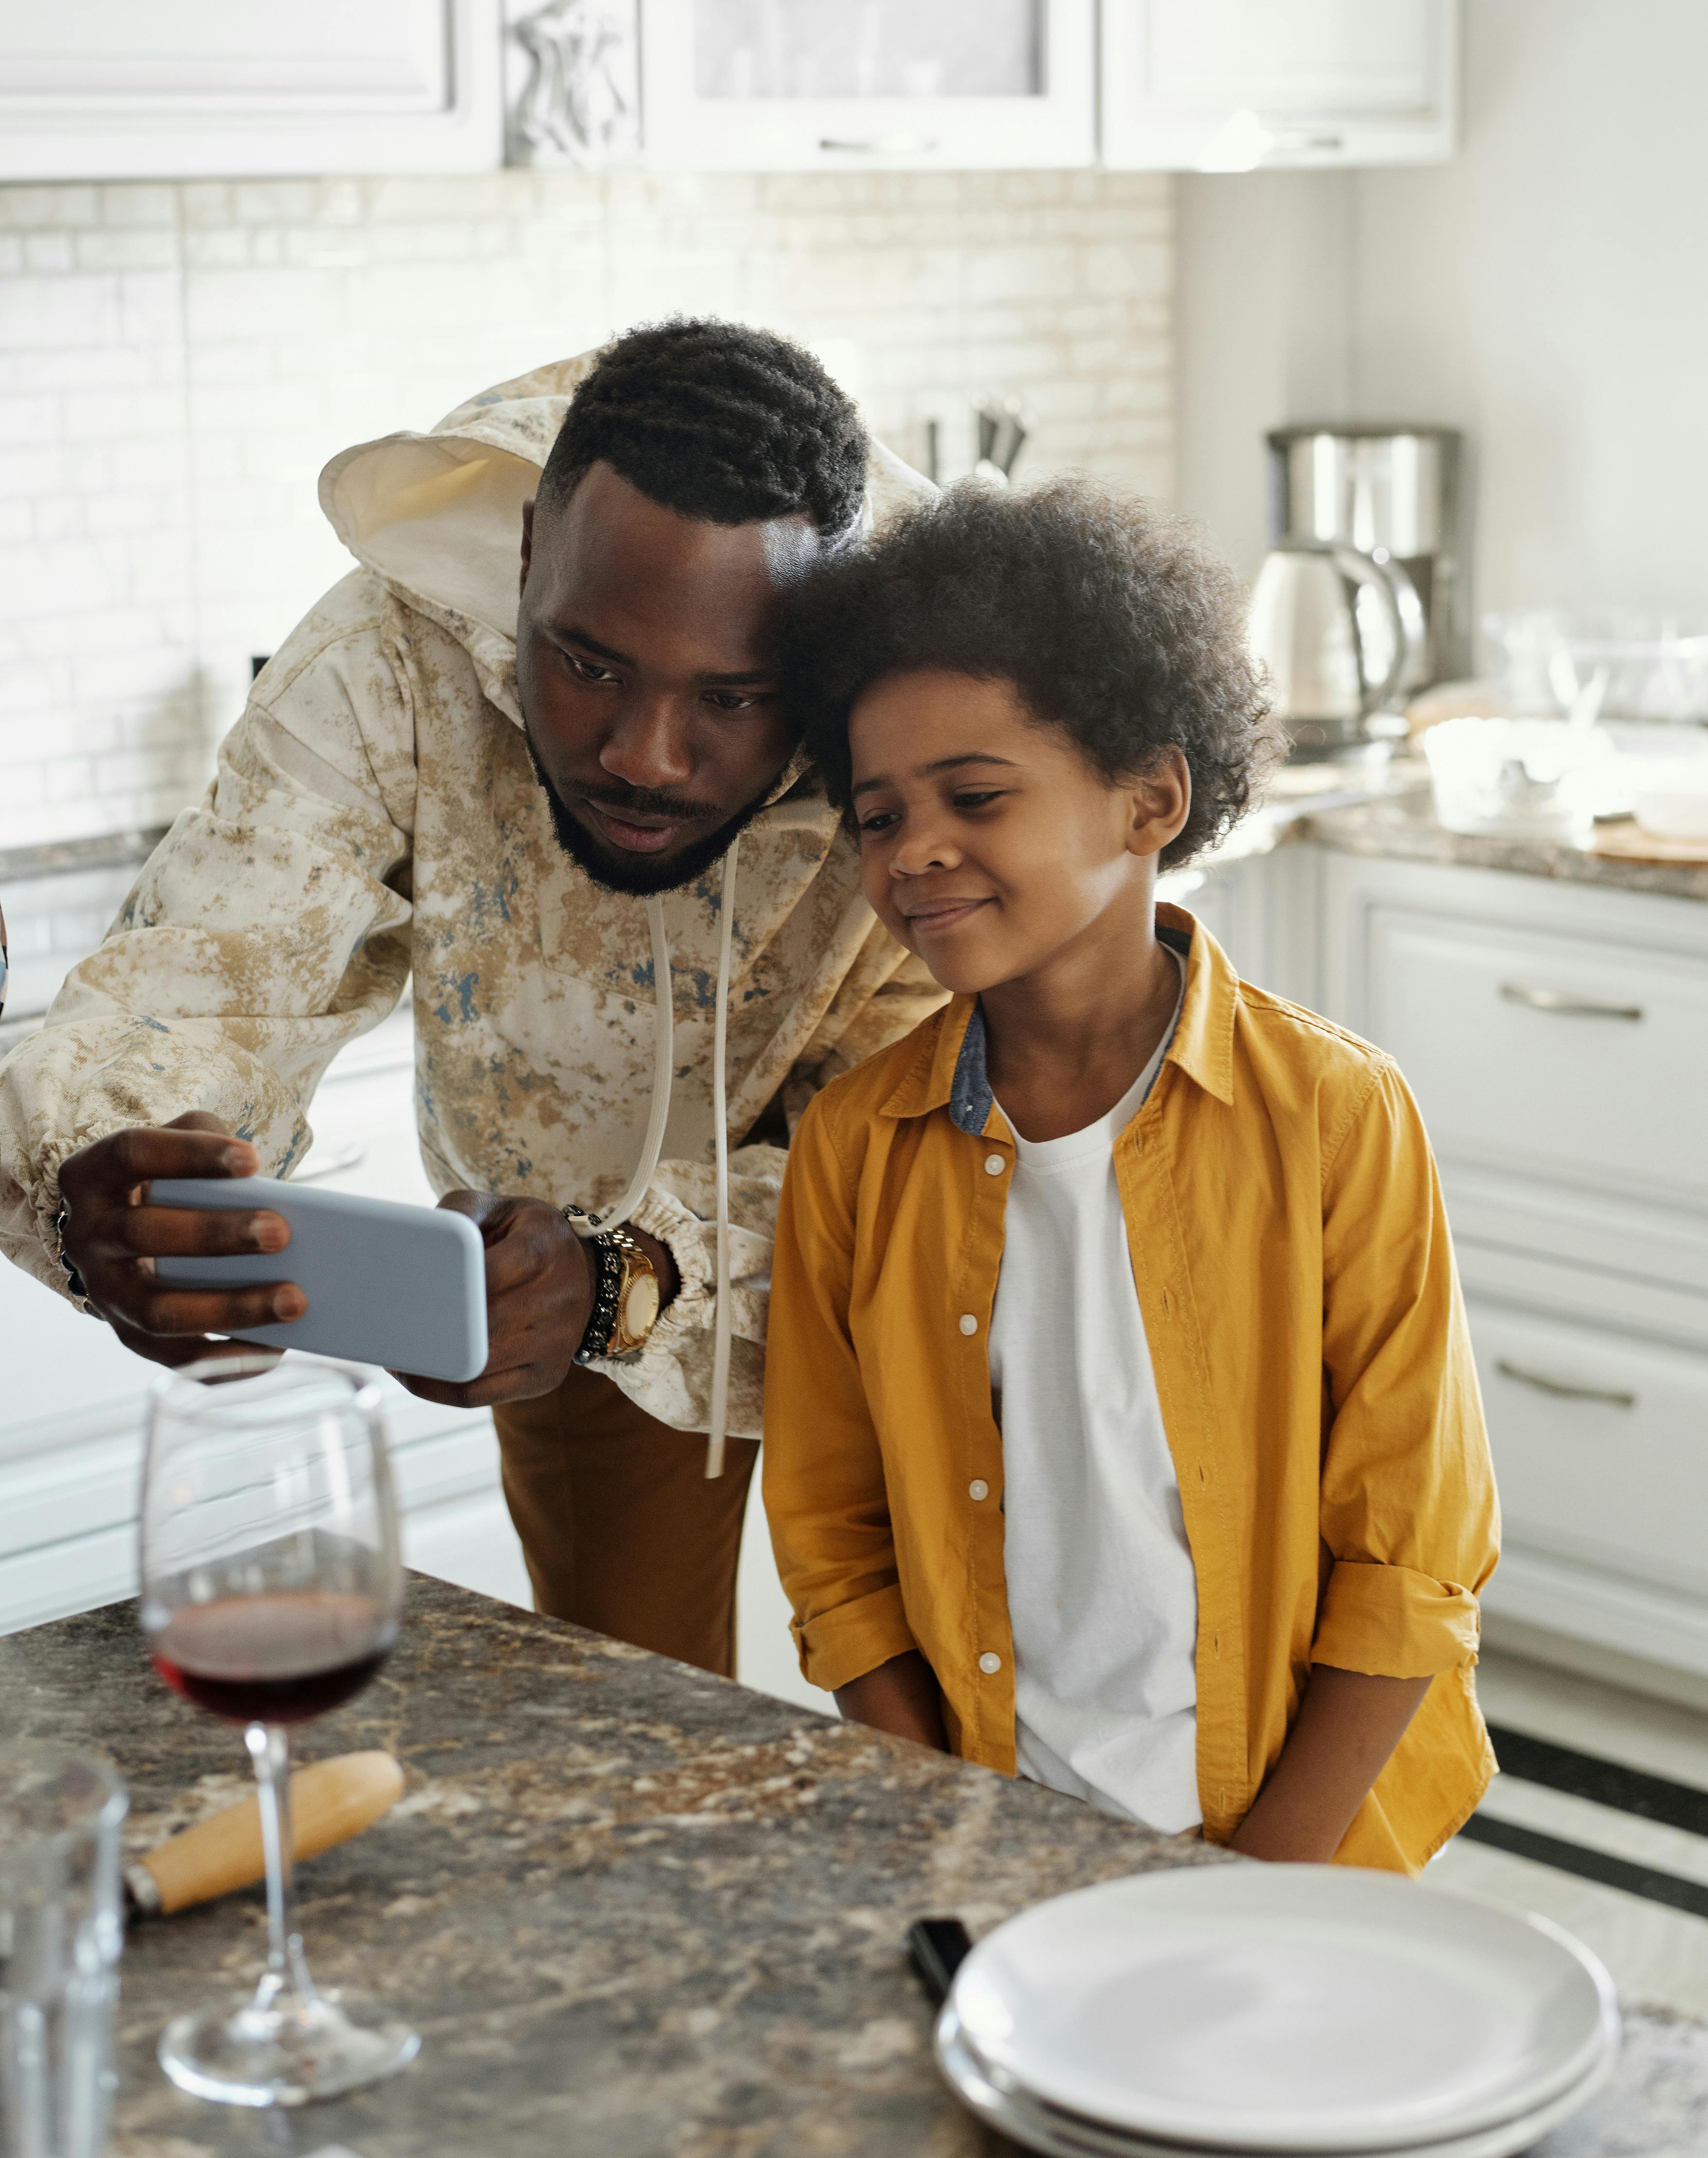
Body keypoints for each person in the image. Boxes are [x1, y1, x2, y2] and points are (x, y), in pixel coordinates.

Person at [0, 321, 942, 1677]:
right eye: (588, 662)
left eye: (732, 695)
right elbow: (193, 989)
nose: (643, 755)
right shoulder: (387, 656)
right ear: (521, 569)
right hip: (565, 1284)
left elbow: (957, 1170)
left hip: (916, 1265)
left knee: (965, 1727)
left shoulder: (936, 686)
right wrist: (101, 1175)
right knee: (632, 1725)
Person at [762, 480, 1500, 1871]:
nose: (914, 848)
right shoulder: (854, 1152)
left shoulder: (1337, 1115)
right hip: (992, 1827)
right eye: (876, 815)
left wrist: (1255, 1879)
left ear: (1151, 796)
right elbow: (835, 1547)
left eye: (975, 795)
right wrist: (954, 1830)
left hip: (1298, 1842)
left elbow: (1414, 1558)